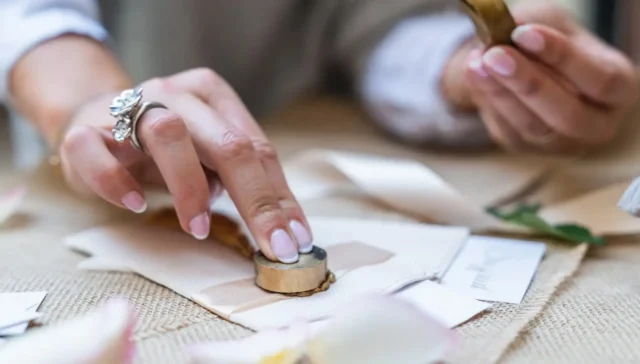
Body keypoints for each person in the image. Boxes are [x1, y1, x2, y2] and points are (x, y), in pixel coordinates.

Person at [1, 0, 637, 263]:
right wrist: (84, 100)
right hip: (78, 151)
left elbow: (361, 17)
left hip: (308, 113)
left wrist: (467, 73)